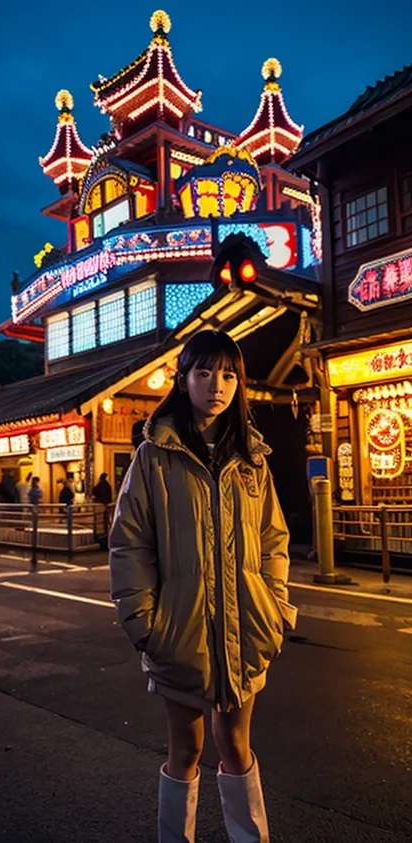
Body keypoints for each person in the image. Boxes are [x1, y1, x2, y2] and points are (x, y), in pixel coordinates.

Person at [109, 330, 297, 843]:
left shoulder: (254, 459)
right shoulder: (155, 457)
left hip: (246, 630)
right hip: (180, 630)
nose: (217, 385)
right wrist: (145, 625)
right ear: (184, 379)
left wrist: (274, 607)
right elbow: (130, 544)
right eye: (205, 373)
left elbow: (272, 540)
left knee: (237, 746)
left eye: (229, 374)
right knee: (186, 750)